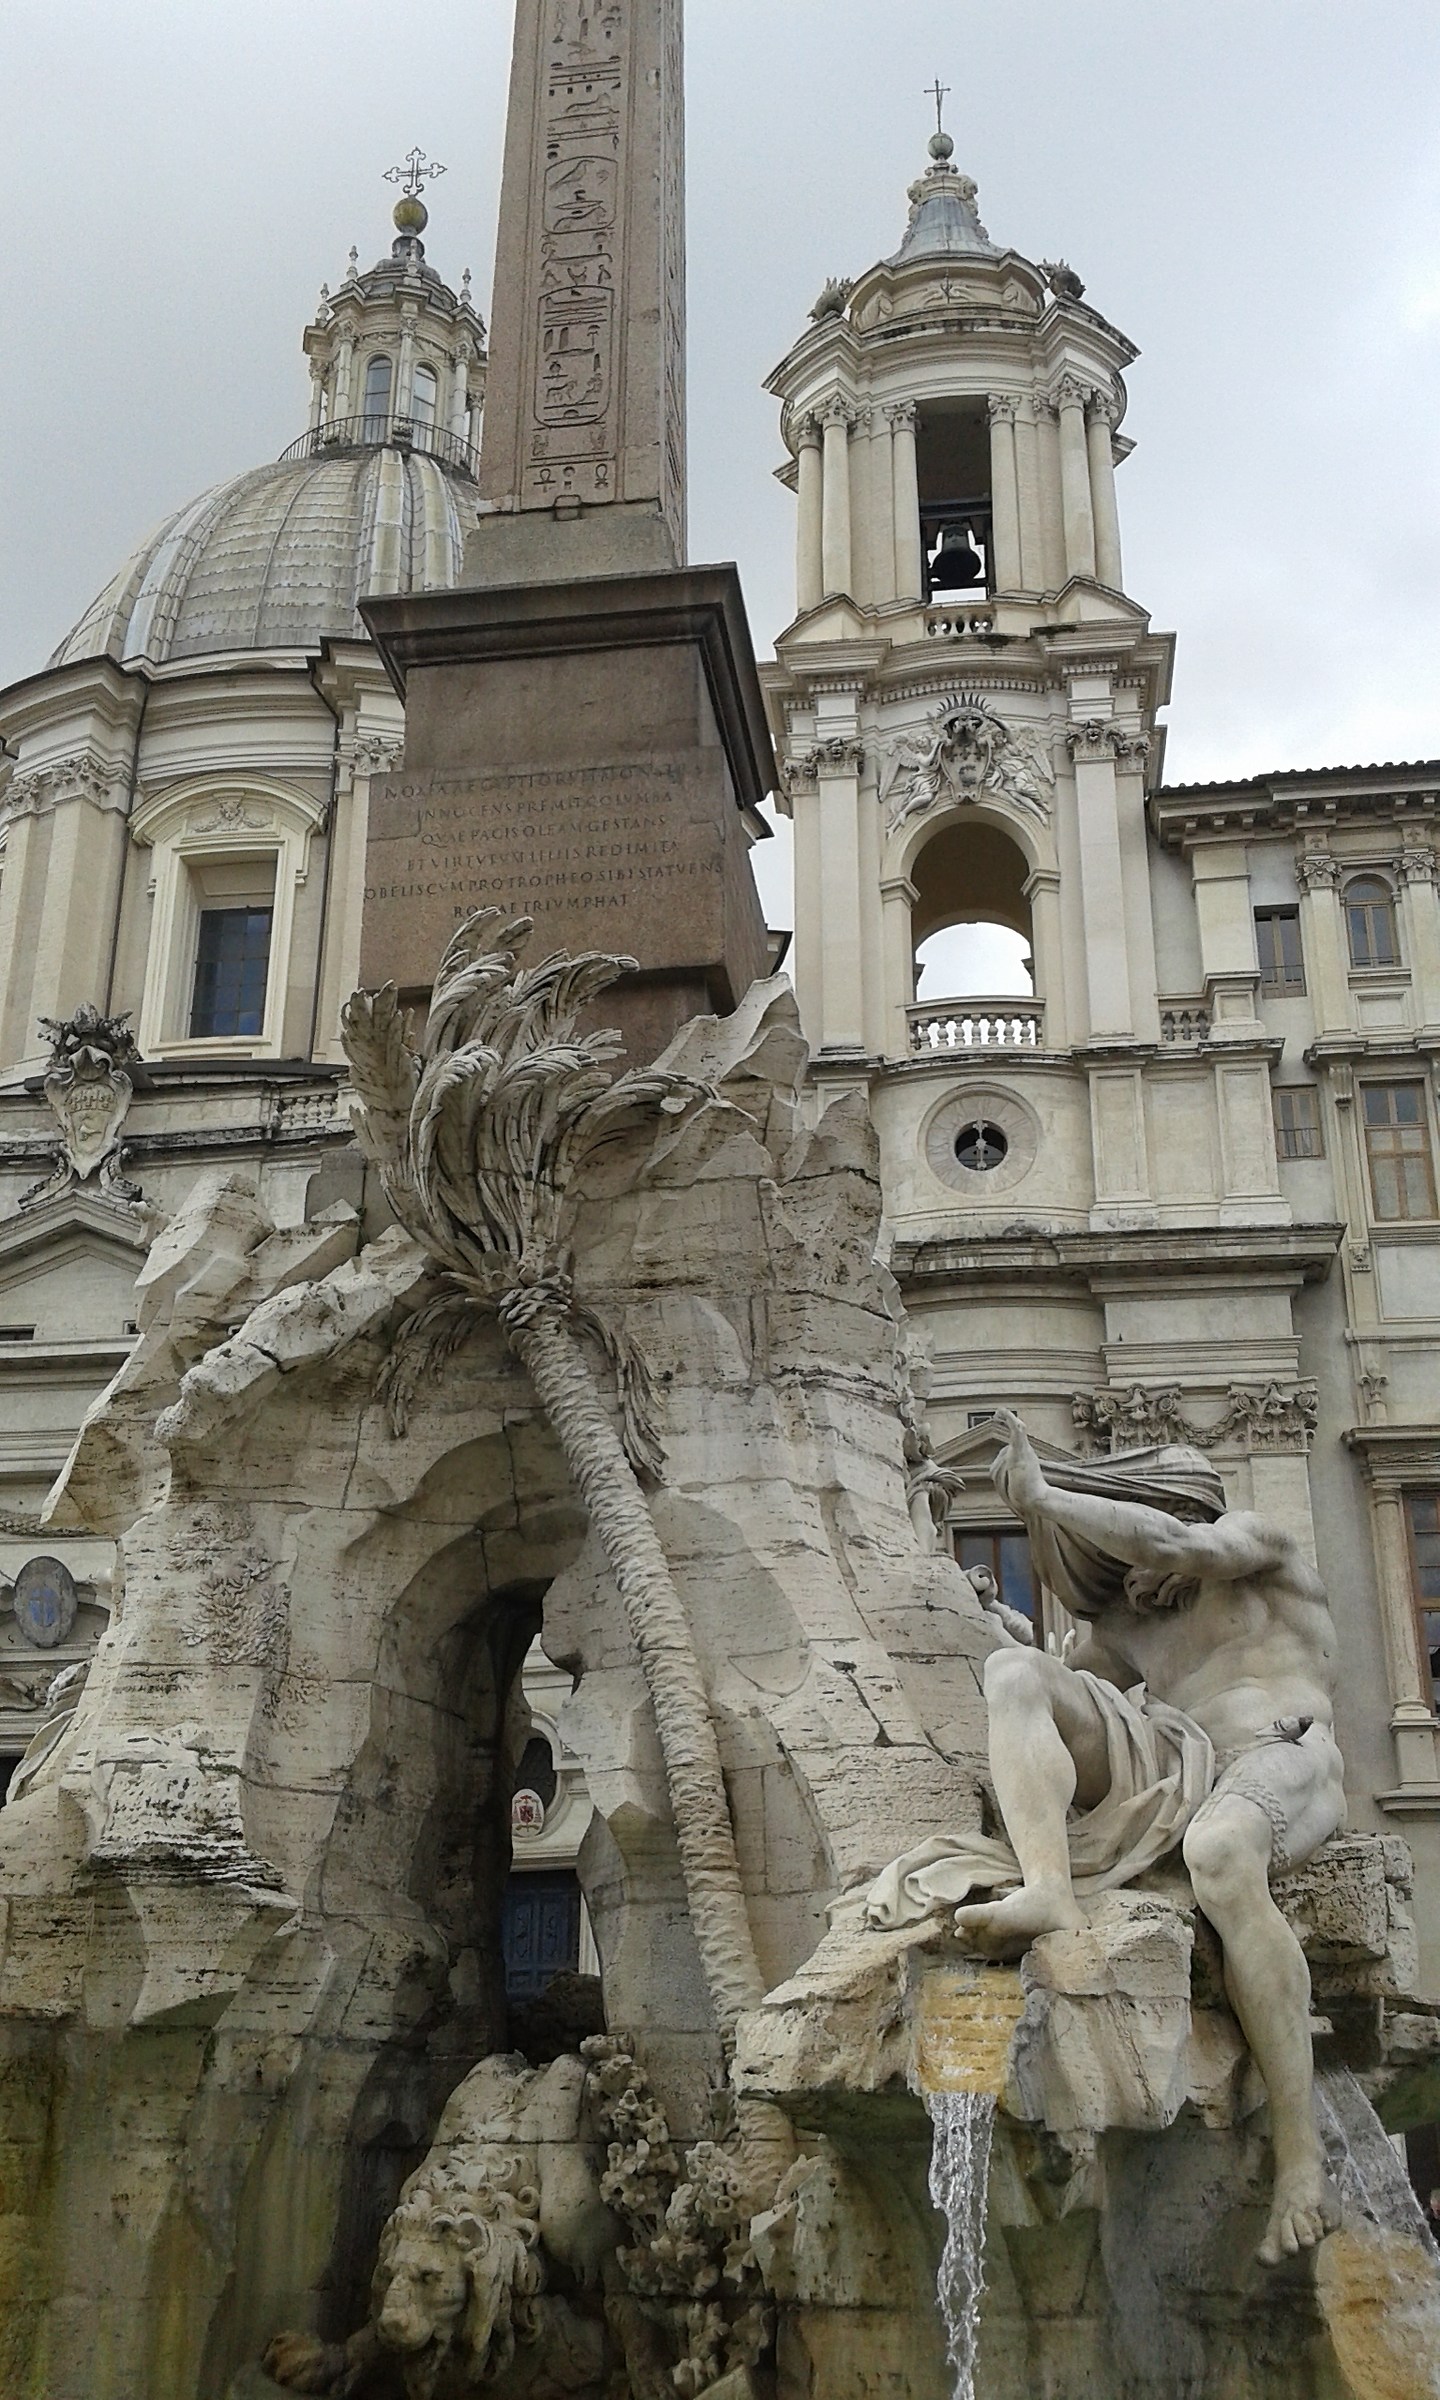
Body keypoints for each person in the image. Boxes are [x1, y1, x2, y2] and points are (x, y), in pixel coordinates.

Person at [866, 1408, 1346, 2266]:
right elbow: (1068, 1685)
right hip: (1179, 1762)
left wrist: (1046, 1498)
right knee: (1014, 1674)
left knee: (1220, 1853)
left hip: (1284, 1751)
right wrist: (996, 1627)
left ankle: (1299, 2152)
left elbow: (1183, 1546)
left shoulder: (1253, 1544)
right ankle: (1047, 1889)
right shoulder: (1122, 1628)